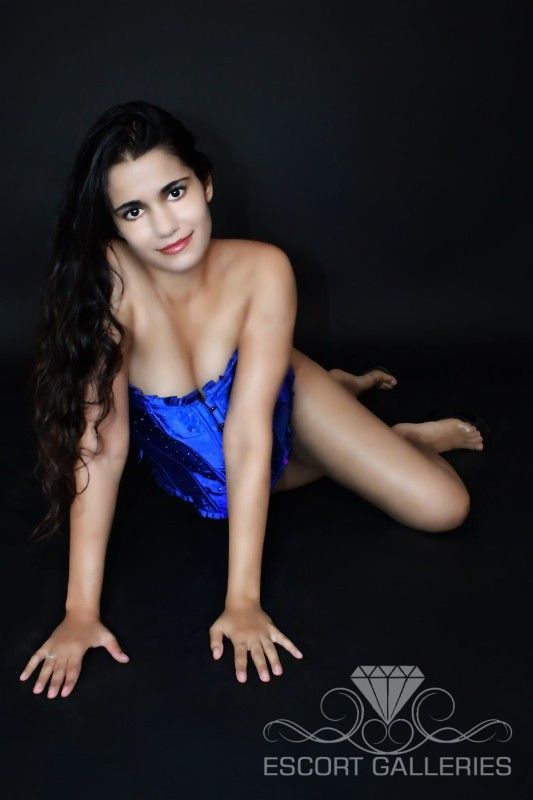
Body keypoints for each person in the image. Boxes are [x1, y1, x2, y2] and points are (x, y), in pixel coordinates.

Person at [19, 100, 484, 700]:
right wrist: (79, 611)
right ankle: (375, 429)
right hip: (201, 471)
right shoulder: (111, 287)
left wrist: (242, 599)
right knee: (248, 480)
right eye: (134, 210)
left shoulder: (264, 268)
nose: (166, 225)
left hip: (270, 404)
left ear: (206, 184)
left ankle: (368, 418)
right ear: (113, 224)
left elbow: (247, 434)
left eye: (175, 192)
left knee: (444, 507)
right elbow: (102, 447)